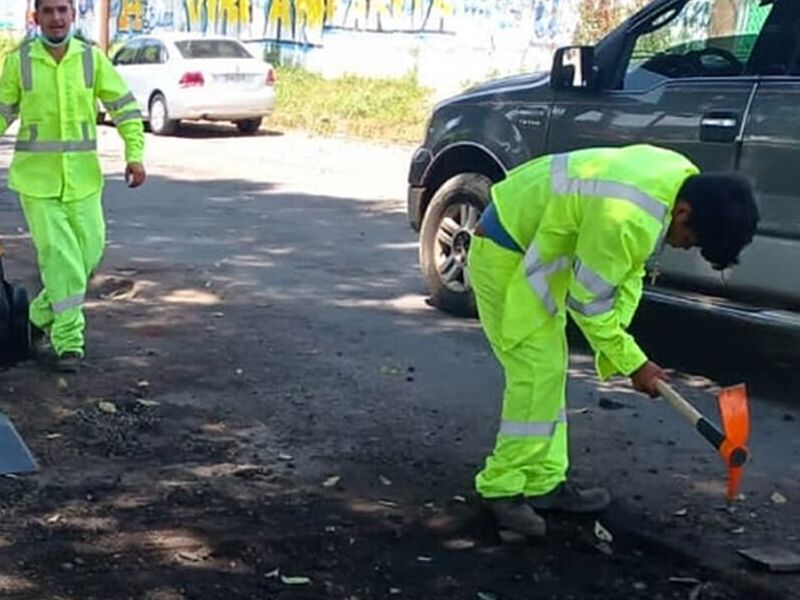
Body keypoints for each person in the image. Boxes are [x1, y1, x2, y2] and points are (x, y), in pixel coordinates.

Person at [468, 144, 759, 536]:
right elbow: (589, 304)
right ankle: (501, 488)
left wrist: (624, 348)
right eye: (691, 240)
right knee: (535, 372)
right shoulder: (628, 216)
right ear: (684, 212)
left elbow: (628, 269)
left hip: (539, 246)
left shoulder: (677, 176)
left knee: (548, 373)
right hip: (506, 251)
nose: (685, 247)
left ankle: (543, 483)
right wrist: (633, 363)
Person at [0, 0, 146, 372]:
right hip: (38, 183)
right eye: (48, 11)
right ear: (36, 17)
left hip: (83, 181)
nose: (56, 18)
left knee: (89, 255)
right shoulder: (20, 62)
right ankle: (69, 342)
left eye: (63, 10)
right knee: (62, 261)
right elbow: (1, 113)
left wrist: (135, 153)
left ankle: (33, 319)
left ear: (73, 14)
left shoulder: (90, 59)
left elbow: (125, 108)